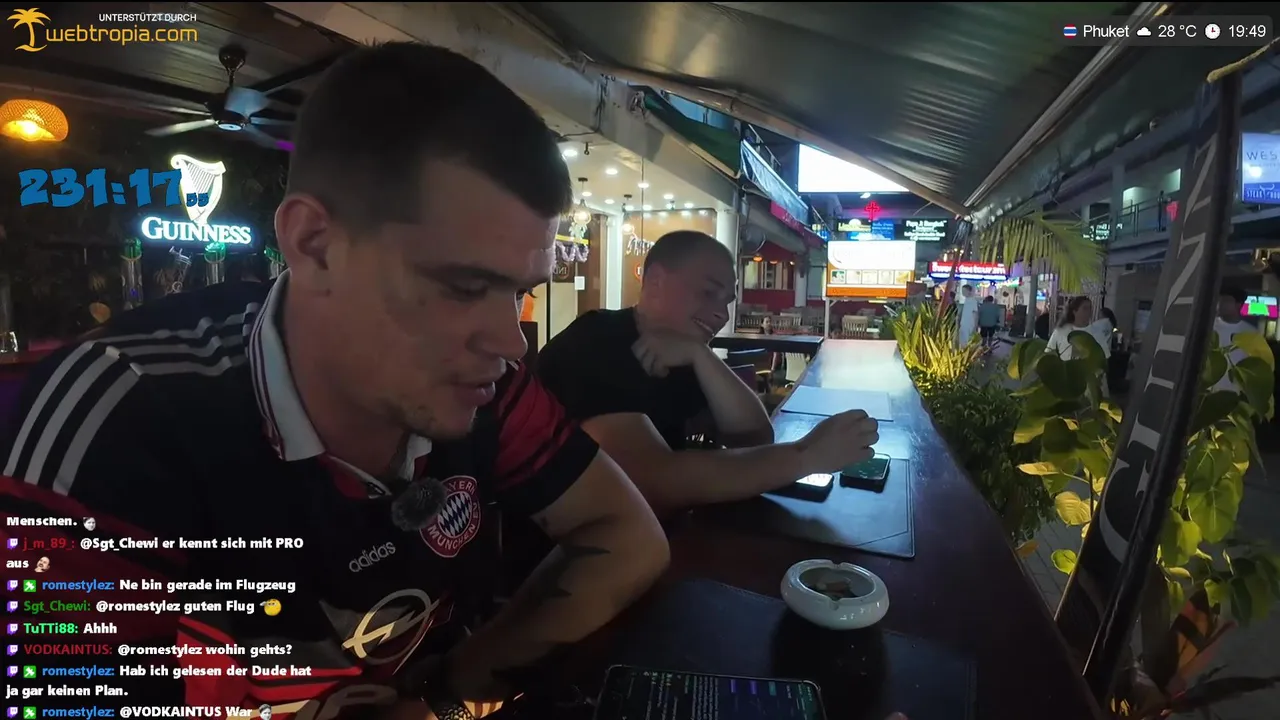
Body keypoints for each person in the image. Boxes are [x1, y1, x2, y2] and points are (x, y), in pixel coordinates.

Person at [0, 42, 670, 718]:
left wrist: (444, 697)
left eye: (520, 292)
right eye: (465, 286)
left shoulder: (481, 382)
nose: (510, 341)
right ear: (314, 245)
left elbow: (624, 533)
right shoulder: (124, 410)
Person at [536, 230, 880, 515]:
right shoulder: (598, 343)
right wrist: (806, 457)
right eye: (708, 292)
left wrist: (702, 357)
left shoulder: (680, 351)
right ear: (655, 281)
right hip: (560, 557)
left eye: (726, 300)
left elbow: (754, 438)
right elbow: (653, 483)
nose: (722, 314)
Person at [1214, 285, 1254, 393]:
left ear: (1238, 304)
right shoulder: (1208, 327)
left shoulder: (1251, 333)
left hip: (1235, 393)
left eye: (1225, 300)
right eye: (1218, 299)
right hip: (1207, 393)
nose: (1219, 304)